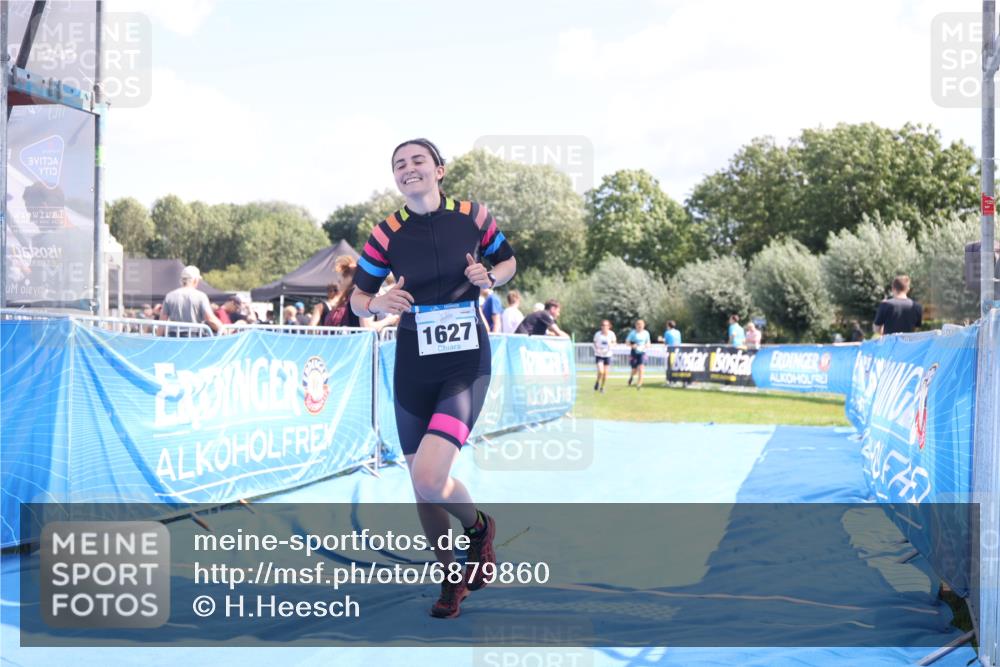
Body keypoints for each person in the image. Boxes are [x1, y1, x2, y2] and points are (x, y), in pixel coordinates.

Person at [350, 138, 517, 619]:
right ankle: (451, 580)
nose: (409, 169)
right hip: (412, 361)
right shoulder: (386, 233)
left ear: (439, 169)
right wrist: (378, 303)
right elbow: (359, 298)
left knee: (429, 475)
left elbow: (507, 262)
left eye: (417, 161)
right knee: (420, 486)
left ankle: (479, 528)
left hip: (465, 360)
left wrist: (492, 277)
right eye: (399, 165)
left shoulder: (472, 215)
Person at [158, 265, 222, 336]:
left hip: (174, 338)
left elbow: (162, 322)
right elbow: (210, 319)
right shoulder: (201, 296)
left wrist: (157, 340)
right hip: (193, 338)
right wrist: (224, 330)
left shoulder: (169, 296)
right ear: (195, 280)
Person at [592, 319, 616, 393]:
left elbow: (614, 342)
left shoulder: (611, 334)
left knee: (605, 373)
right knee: (601, 371)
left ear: (609, 326)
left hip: (607, 355)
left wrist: (611, 346)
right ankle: (597, 381)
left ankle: (602, 387)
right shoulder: (598, 334)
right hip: (599, 355)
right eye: (603, 325)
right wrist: (597, 349)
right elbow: (595, 343)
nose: (604, 327)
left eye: (606, 325)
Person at [626, 319, 651, 389]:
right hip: (634, 352)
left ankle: (639, 384)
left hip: (642, 352)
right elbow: (627, 342)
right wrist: (632, 345)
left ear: (643, 325)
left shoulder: (646, 333)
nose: (640, 326)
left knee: (641, 368)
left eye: (641, 324)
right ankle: (631, 377)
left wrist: (647, 345)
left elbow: (648, 342)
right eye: (638, 324)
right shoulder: (632, 333)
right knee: (634, 370)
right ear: (636, 325)